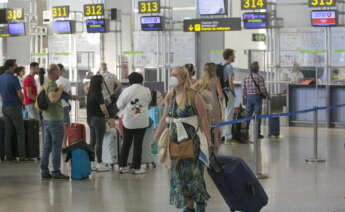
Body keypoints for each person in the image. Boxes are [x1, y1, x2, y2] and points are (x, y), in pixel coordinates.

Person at [154, 67, 211, 212]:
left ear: (183, 77)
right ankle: (188, 205)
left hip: (191, 140)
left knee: (194, 173)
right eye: (171, 74)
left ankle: (200, 202)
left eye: (175, 75)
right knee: (178, 174)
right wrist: (156, 137)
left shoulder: (193, 95)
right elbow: (163, 118)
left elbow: (203, 117)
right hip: (174, 141)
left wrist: (208, 139)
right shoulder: (170, 95)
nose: (172, 77)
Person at [116, 72, 152, 175]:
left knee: (126, 143)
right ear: (141, 80)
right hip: (142, 121)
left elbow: (119, 105)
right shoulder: (147, 90)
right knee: (138, 144)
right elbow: (148, 102)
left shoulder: (126, 90)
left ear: (130, 81)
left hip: (128, 121)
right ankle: (136, 168)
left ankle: (122, 166)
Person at [40, 64, 69, 180]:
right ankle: (56, 171)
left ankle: (44, 170)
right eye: (58, 72)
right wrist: (61, 89)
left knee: (47, 147)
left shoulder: (45, 83)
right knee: (56, 147)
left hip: (46, 118)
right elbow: (53, 99)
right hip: (55, 120)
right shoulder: (51, 84)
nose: (59, 74)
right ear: (52, 73)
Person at [0, 59, 26, 161]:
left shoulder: (0, 78)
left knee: (8, 132)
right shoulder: (14, 79)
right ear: (10, 67)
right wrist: (22, 100)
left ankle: (9, 156)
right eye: (15, 65)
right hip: (14, 107)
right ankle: (22, 156)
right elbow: (20, 94)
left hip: (5, 107)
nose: (16, 67)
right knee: (20, 132)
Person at [194, 63, 223, 149]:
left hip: (204, 105)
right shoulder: (216, 79)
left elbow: (192, 89)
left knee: (205, 124)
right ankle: (216, 146)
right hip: (214, 104)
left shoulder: (201, 80)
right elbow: (220, 94)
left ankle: (207, 144)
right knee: (216, 126)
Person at [87, 75, 111, 172]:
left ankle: (92, 163)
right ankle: (100, 164)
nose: (103, 84)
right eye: (102, 82)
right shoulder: (98, 93)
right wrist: (108, 115)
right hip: (98, 119)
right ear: (99, 83)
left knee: (92, 142)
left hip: (90, 118)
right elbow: (103, 108)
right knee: (99, 142)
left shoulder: (90, 92)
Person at [243, 61, 269, 139]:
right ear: (257, 68)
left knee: (248, 115)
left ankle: (245, 132)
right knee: (258, 115)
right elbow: (262, 89)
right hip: (257, 98)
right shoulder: (260, 77)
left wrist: (246, 97)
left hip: (249, 98)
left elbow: (244, 90)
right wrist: (267, 95)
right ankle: (257, 133)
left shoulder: (246, 77)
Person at [56, 64, 78, 147]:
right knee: (65, 126)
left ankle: (57, 145)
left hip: (54, 107)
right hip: (63, 105)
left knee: (56, 126)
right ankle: (64, 145)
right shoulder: (65, 80)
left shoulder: (52, 81)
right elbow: (70, 95)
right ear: (61, 70)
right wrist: (76, 97)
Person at [221, 49, 236, 144]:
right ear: (230, 56)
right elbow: (231, 81)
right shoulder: (229, 67)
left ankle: (223, 135)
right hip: (228, 92)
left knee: (225, 114)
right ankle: (228, 137)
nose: (234, 57)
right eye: (233, 55)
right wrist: (233, 92)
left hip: (223, 92)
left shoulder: (223, 66)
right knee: (229, 114)